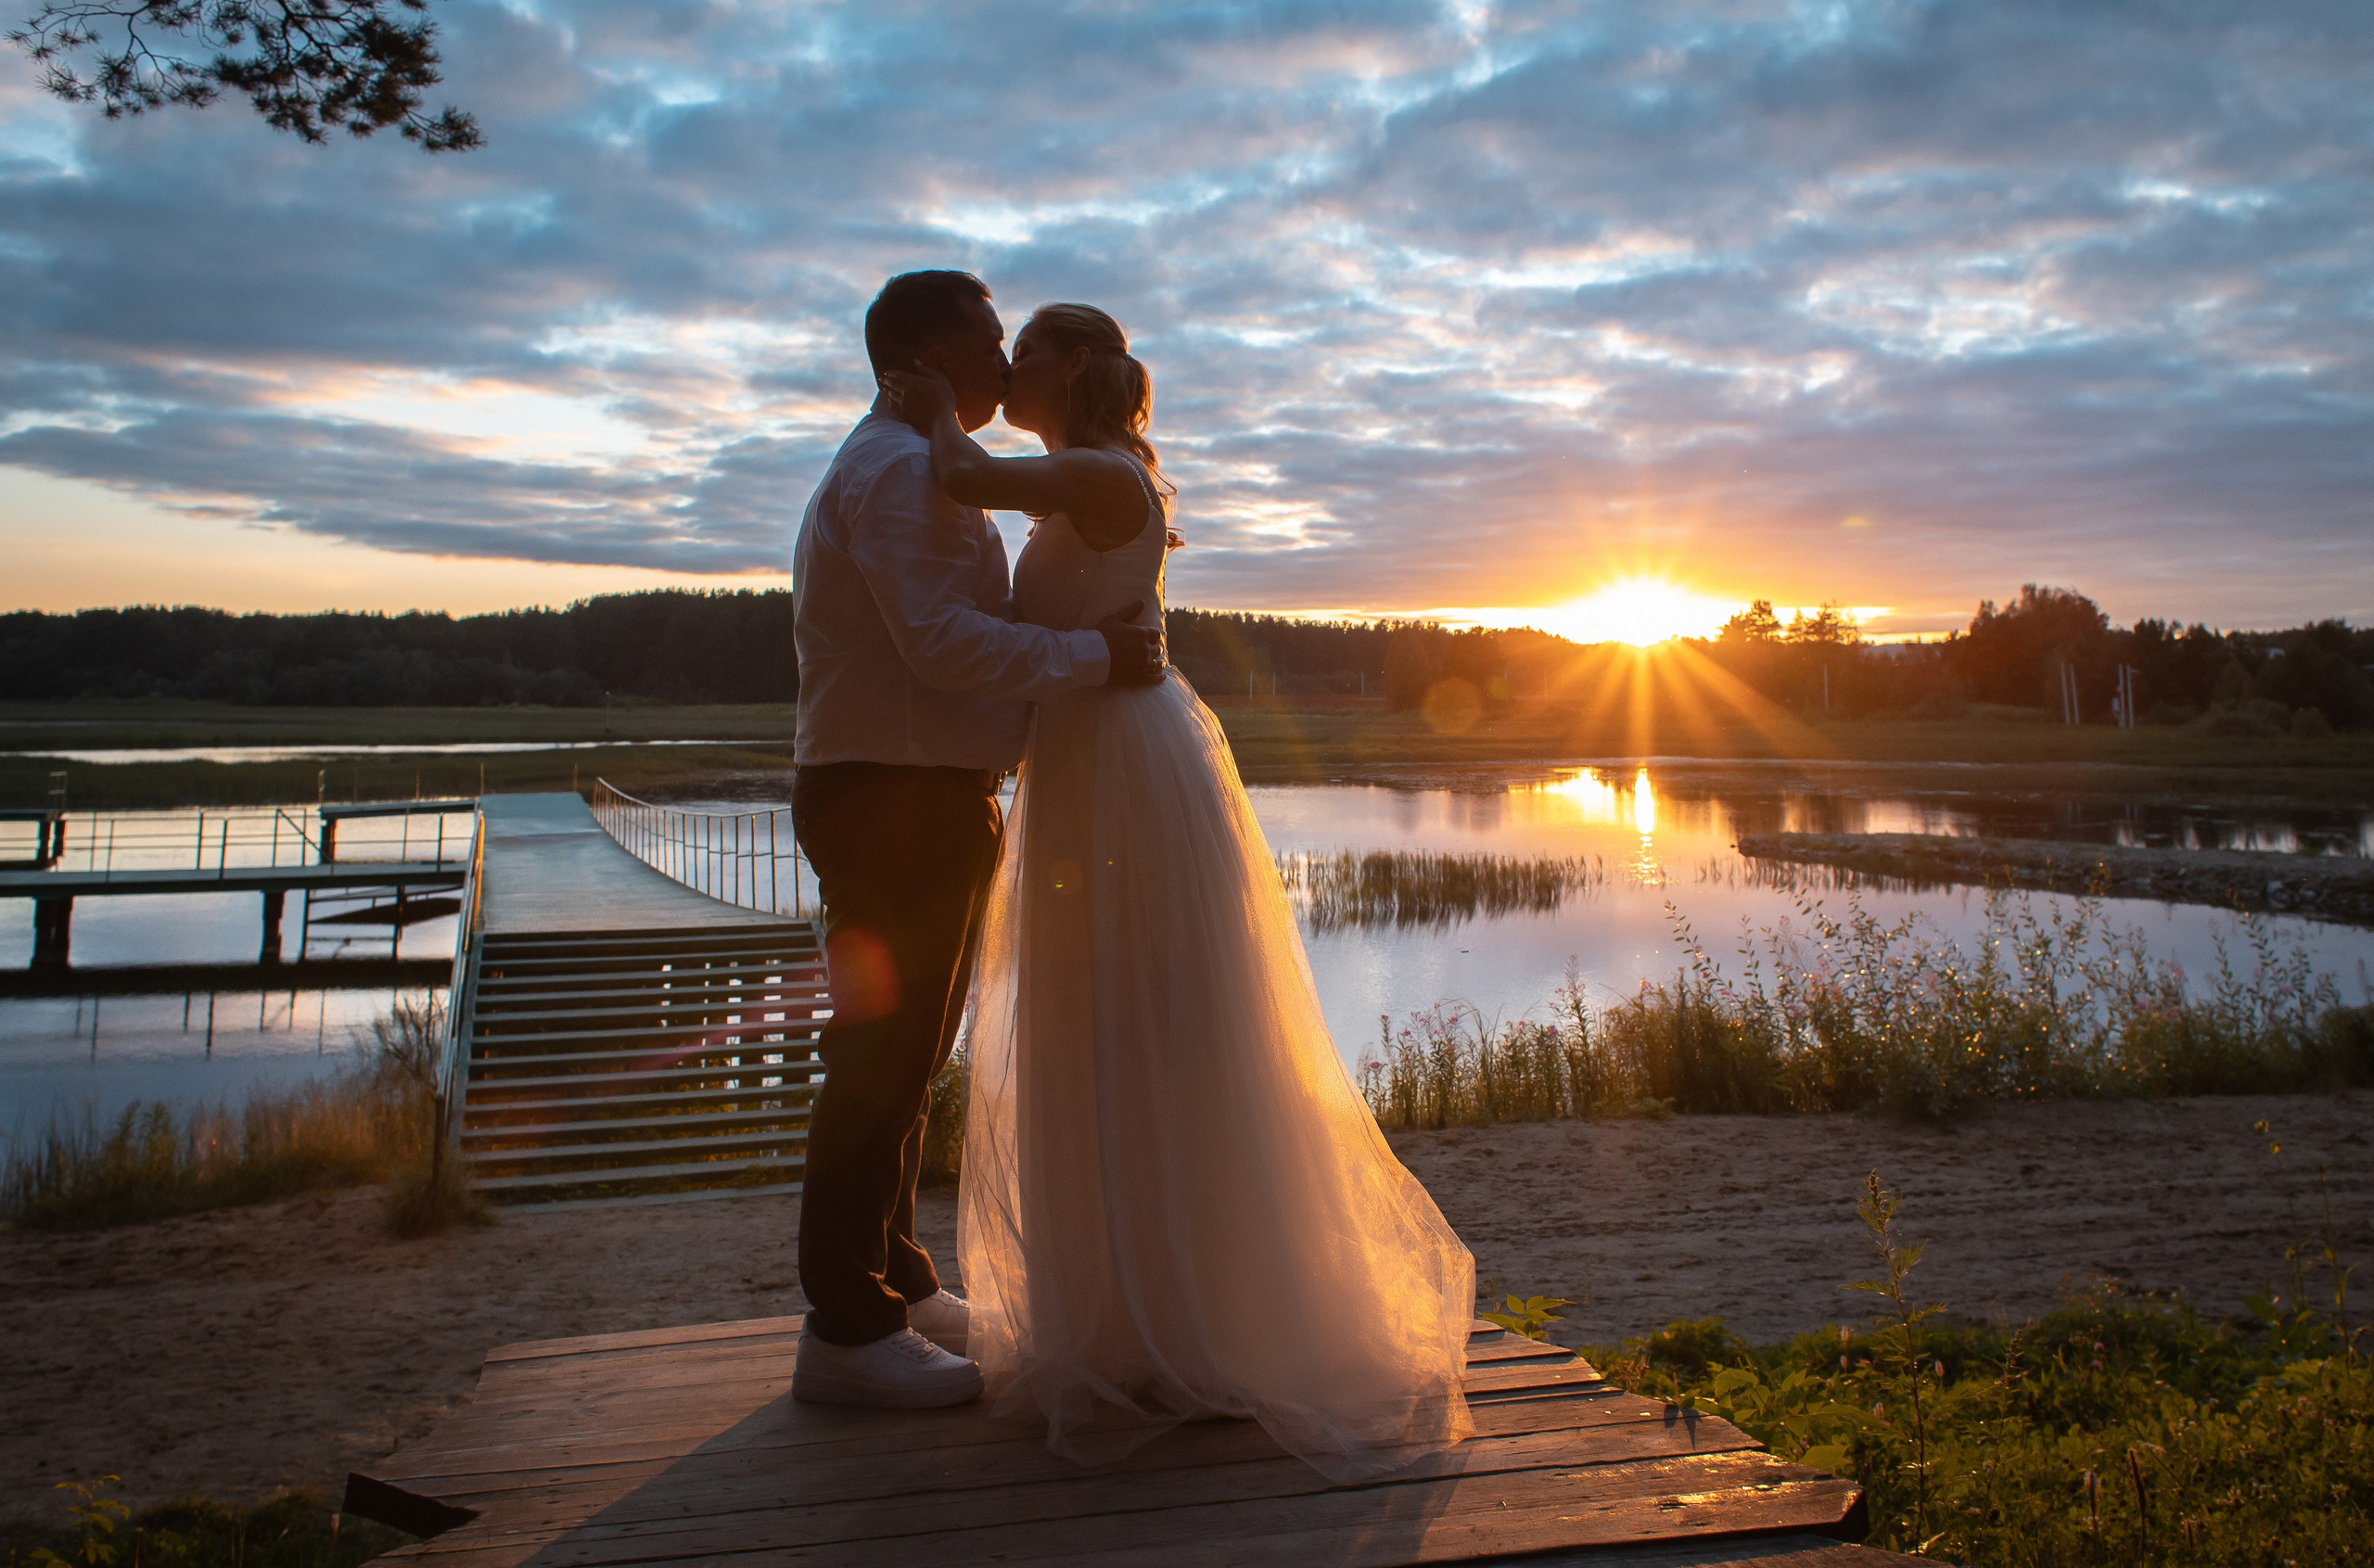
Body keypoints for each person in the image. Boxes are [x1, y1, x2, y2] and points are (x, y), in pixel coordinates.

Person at [880, 303, 1475, 1479]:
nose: (1014, 367)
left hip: (1124, 765)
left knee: (1148, 1021)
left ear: (1077, 370)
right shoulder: (1083, 475)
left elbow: (957, 471)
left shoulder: (1096, 476)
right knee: (1092, 1025)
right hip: (1088, 753)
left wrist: (928, 390)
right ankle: (1119, 1310)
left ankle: (1189, 1319)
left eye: (1029, 352)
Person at [787, 272, 1165, 1409]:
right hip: (894, 794)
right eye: (992, 340)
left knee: (904, 1058)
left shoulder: (918, 460)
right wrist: (1100, 662)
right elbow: (945, 645)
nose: (1003, 361)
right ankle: (847, 1331)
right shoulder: (897, 469)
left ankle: (896, 1284)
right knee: (879, 1060)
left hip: (925, 789)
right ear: (933, 350)